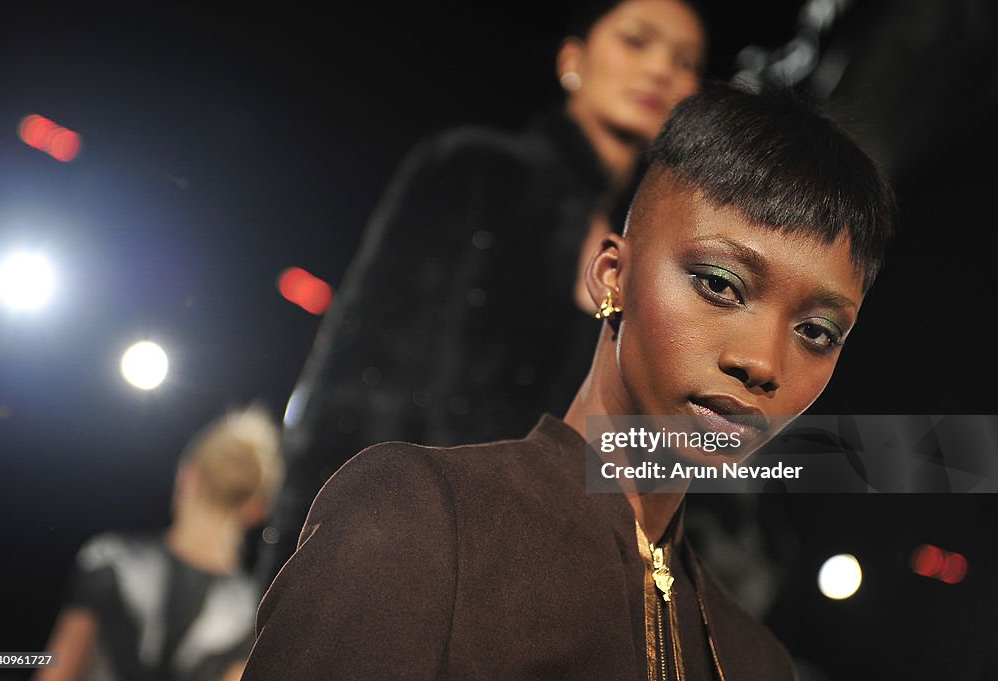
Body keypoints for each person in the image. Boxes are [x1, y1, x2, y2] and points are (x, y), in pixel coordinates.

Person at [240, 85, 896, 680]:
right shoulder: (422, 522)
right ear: (612, 275)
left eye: (816, 332)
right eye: (719, 285)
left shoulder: (756, 662)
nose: (763, 361)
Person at [260, 0, 708, 585]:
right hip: (409, 568)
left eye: (685, 62)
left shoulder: (667, 264)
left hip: (558, 606)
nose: (659, 71)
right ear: (573, 59)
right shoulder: (473, 172)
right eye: (636, 41)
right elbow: (356, 388)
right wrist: (294, 585)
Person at [34, 406, 283, 681]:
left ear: (187, 476)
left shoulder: (110, 561)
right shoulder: (251, 612)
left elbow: (56, 673)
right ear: (257, 508)